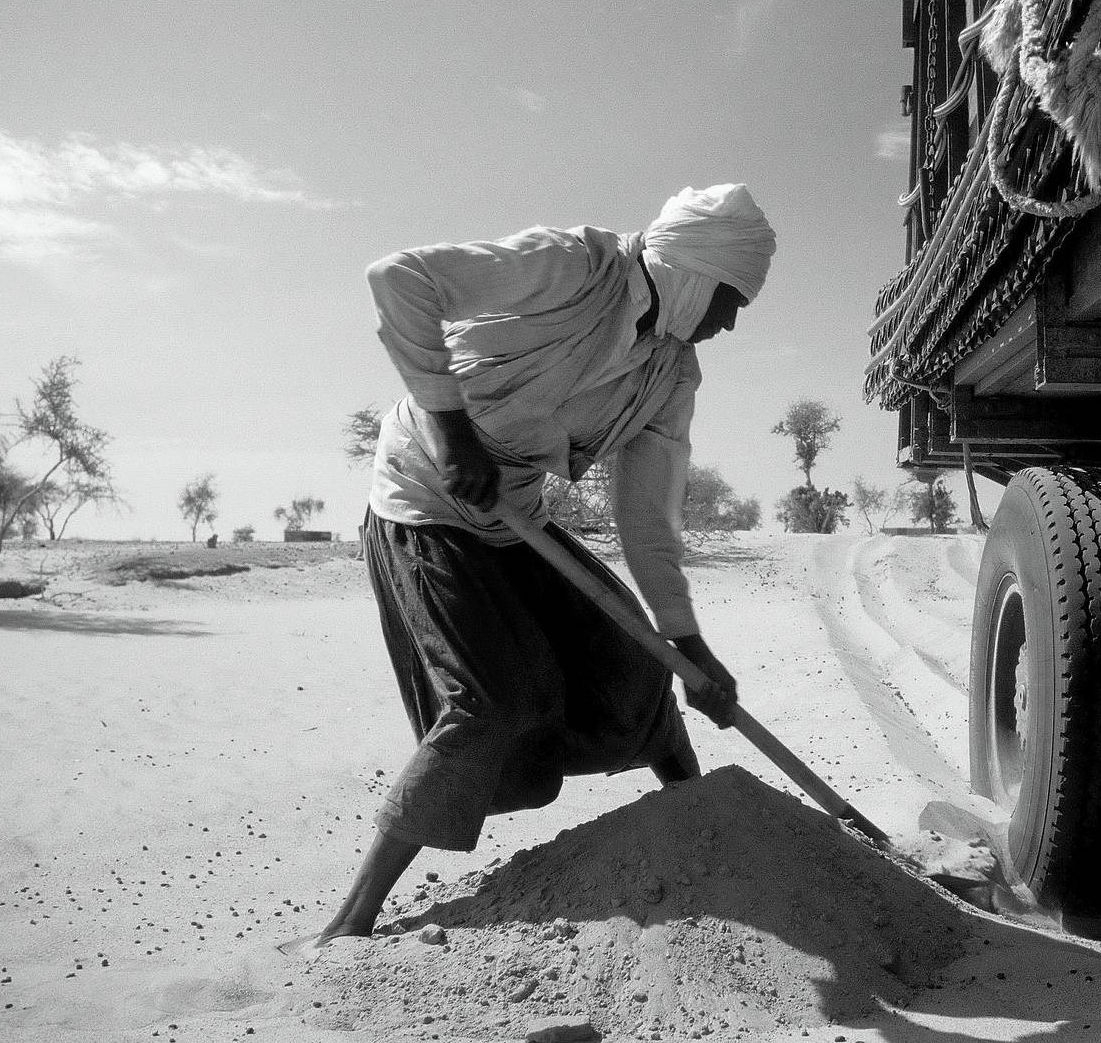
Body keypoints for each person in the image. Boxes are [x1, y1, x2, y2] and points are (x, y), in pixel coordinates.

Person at [315, 184, 776, 945]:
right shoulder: (575, 266)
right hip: (426, 500)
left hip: (515, 515)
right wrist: (454, 433)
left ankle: (706, 823)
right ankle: (351, 919)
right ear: (691, 271)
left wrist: (686, 642)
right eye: (729, 300)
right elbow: (398, 278)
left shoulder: (672, 375)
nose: (727, 322)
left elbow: (645, 517)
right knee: (492, 702)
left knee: (635, 661)